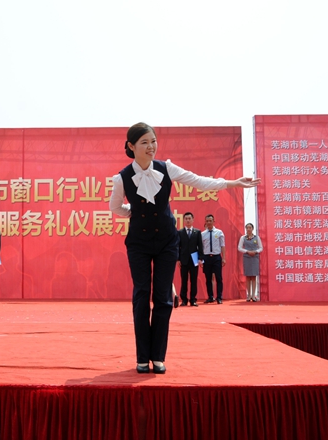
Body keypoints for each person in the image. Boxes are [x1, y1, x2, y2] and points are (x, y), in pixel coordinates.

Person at [109, 122, 260, 374]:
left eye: (153, 141)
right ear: (131, 146)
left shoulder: (166, 168)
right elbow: (115, 208)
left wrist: (233, 183)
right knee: (141, 295)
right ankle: (142, 358)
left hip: (167, 242)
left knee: (163, 297)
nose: (151, 147)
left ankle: (158, 357)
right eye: (145, 142)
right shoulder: (121, 178)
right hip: (138, 244)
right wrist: (134, 212)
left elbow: (199, 181)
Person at [177, 212, 203, 307]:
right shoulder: (180, 232)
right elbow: (178, 247)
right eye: (186, 219)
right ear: (184, 220)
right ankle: (184, 299)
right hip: (183, 259)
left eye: (189, 218)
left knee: (194, 280)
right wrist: (178, 259)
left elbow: (200, 246)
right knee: (184, 280)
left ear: (193, 220)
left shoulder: (197, 232)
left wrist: (200, 258)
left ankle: (193, 300)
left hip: (194, 259)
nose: (188, 220)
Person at [201, 214, 226, 305]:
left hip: (216, 257)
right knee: (208, 278)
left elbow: (222, 246)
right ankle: (210, 297)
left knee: (218, 278)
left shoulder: (219, 232)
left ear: (213, 221)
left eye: (210, 221)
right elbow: (201, 248)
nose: (209, 222)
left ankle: (219, 297)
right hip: (207, 257)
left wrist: (224, 258)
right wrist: (201, 260)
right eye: (207, 221)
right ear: (205, 222)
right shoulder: (202, 234)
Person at [238, 222, 263, 302]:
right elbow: (239, 248)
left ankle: (253, 295)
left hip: (254, 258)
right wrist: (247, 251)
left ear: (252, 229)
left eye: (250, 228)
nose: (248, 229)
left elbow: (261, 248)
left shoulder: (257, 238)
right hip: (247, 257)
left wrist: (255, 251)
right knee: (248, 276)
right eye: (247, 228)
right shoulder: (243, 238)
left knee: (254, 276)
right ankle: (248, 295)